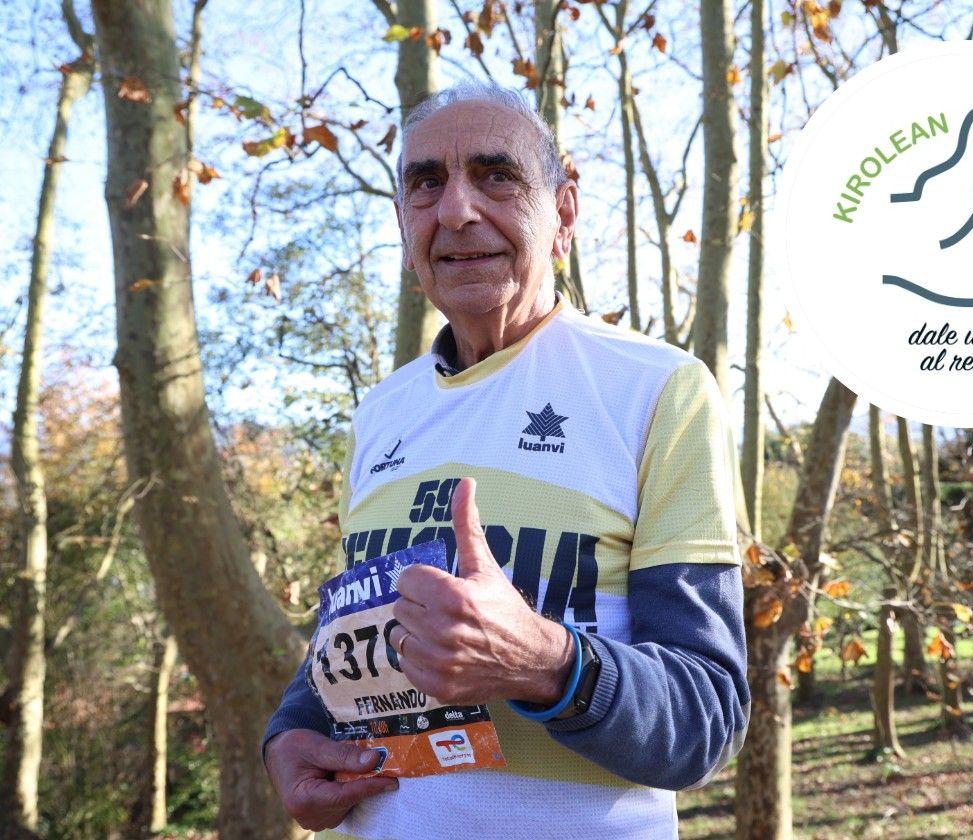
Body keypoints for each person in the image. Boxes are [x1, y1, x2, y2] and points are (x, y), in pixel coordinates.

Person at [262, 80, 750, 840]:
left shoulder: (659, 391)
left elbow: (706, 718)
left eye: (496, 175)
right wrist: (291, 734)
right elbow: (364, 630)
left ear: (562, 213)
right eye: (426, 183)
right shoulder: (379, 414)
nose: (456, 209)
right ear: (403, 224)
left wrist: (547, 663)